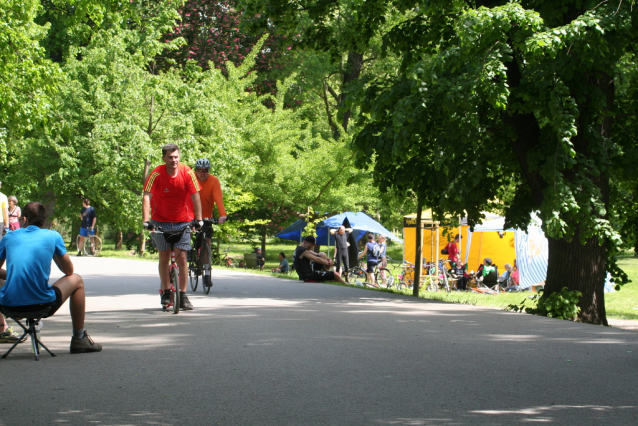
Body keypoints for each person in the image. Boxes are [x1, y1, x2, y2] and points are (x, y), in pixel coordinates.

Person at [0, 202, 102, 353]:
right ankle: (79, 339)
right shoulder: (52, 236)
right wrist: (53, 252)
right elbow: (69, 271)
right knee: (77, 280)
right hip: (42, 304)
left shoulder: (9, 237)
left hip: (9, 305)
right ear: (43, 220)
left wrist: (14, 276)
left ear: (24, 219)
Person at [142, 143, 203, 310]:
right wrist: (146, 220)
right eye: (170, 157)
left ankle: (183, 296)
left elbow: (196, 196)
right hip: (160, 220)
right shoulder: (156, 173)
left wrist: (198, 219)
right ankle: (167, 292)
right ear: (164, 158)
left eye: (176, 157)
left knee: (182, 257)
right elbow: (147, 196)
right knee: (164, 255)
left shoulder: (188, 172)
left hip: (183, 220)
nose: (173, 160)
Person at [193, 158, 227, 287]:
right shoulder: (191, 180)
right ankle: (188, 257)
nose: (202, 173)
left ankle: (207, 273)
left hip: (207, 216)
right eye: (200, 170)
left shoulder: (214, 181)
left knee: (206, 242)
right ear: (195, 171)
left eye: (205, 170)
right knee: (186, 236)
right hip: (190, 215)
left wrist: (222, 215)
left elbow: (218, 199)